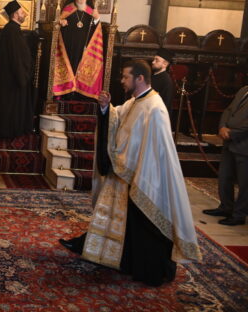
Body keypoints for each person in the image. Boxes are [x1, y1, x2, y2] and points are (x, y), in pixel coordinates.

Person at [59, 59, 200, 286]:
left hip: (147, 179)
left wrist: (137, 172)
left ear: (139, 78)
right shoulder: (135, 101)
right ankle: (117, 258)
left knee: (144, 226)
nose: (122, 81)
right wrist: (105, 108)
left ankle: (150, 269)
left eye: (125, 77)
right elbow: (116, 118)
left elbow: (157, 151)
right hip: (128, 173)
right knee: (123, 221)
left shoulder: (155, 108)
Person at [203, 85, 248, 226]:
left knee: (244, 184)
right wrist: (222, 126)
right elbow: (229, 110)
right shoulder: (244, 89)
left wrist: (232, 133)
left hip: (244, 145)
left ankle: (239, 215)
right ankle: (226, 207)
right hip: (229, 142)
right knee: (224, 177)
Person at [0, 0, 34, 138]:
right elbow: (16, 56)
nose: (24, 14)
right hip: (13, 78)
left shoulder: (13, 29)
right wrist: (22, 77)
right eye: (21, 12)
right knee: (11, 106)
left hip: (13, 76)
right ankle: (10, 133)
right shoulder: (12, 31)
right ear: (15, 14)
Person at [53, 0, 104, 100]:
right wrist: (61, 23)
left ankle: (80, 92)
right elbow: (58, 25)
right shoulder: (68, 9)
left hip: (85, 47)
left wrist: (97, 19)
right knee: (70, 66)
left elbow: (96, 30)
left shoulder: (91, 12)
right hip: (69, 46)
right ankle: (67, 92)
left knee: (82, 67)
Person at [151, 48, 175, 115]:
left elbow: (165, 105)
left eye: (157, 60)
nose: (153, 62)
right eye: (154, 59)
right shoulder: (151, 75)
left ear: (165, 64)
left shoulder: (166, 81)